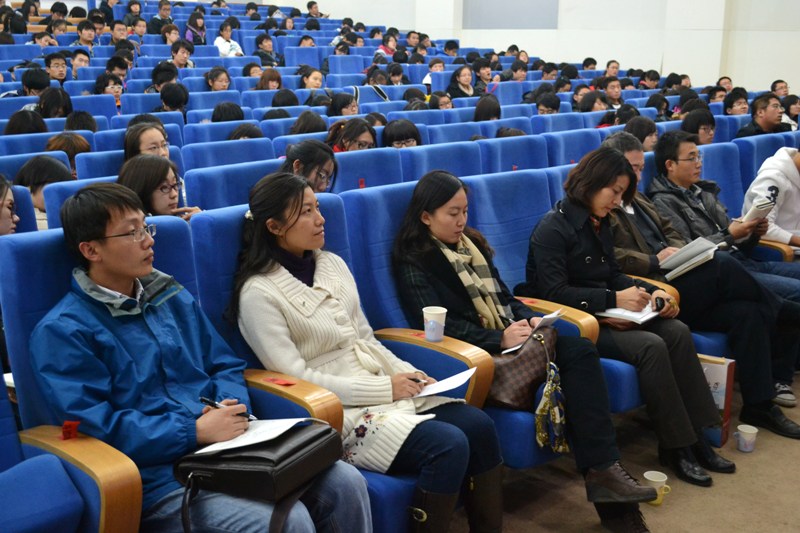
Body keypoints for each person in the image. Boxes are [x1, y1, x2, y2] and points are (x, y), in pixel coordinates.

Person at [29, 182, 372, 533]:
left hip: (227, 449)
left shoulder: (170, 296)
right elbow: (93, 424)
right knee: (288, 521)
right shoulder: (64, 331)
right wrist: (192, 432)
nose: (148, 241)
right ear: (91, 250)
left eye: (146, 227)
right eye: (132, 233)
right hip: (160, 479)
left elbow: (224, 363)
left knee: (344, 482)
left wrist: (228, 405)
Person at [232, 172, 501, 532]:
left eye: (317, 207)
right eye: (307, 211)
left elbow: (366, 338)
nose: (321, 218)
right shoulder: (258, 293)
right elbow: (296, 377)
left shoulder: (332, 264)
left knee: (479, 425)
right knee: (447, 444)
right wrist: (385, 388)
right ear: (274, 226)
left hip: (381, 388)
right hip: (335, 412)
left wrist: (407, 373)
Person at [392, 170, 657, 531]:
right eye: (452, 213)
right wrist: (498, 339)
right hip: (471, 355)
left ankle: (606, 475)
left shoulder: (472, 245)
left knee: (580, 350)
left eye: (465, 211)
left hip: (512, 341)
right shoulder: (414, 257)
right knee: (577, 369)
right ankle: (612, 493)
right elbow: (435, 325)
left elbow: (505, 298)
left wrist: (529, 319)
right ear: (426, 216)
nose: (461, 221)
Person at [519, 146, 732, 489]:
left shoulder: (600, 222)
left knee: (676, 330)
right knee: (650, 345)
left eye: (622, 194)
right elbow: (552, 293)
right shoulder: (552, 228)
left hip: (607, 312)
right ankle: (676, 446)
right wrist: (611, 300)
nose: (618, 201)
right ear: (591, 183)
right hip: (578, 324)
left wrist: (652, 291)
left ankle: (698, 435)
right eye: (614, 191)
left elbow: (614, 274)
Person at [604, 130, 800, 418]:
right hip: (658, 288)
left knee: (749, 311)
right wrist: (654, 259)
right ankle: (784, 311)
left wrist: (680, 251)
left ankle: (759, 407)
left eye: (640, 168)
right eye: (631, 168)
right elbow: (611, 257)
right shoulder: (604, 207)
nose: (637, 175)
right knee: (722, 262)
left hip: (681, 273)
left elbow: (669, 230)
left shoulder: (640, 200)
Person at [648, 130, 800, 313]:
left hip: (745, 261)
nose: (699, 163)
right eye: (692, 158)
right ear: (670, 165)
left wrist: (753, 232)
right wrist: (729, 234)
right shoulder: (663, 203)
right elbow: (686, 252)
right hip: (725, 274)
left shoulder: (704, 191)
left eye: (699, 156)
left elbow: (737, 242)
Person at [117, 154, 200, 221]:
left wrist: (201, 220)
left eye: (175, 184)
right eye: (164, 187)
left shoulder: (184, 222)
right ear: (142, 191)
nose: (174, 194)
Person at [13, 154, 73, 228]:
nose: (58, 194)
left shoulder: (64, 214)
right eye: (52, 187)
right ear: (28, 187)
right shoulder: (27, 220)